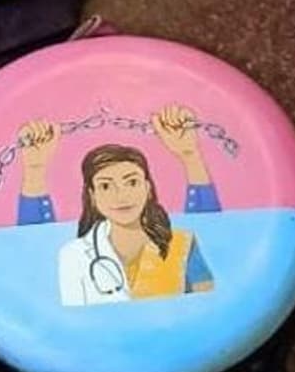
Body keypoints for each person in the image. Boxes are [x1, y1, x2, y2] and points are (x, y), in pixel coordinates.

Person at [16, 105, 220, 305]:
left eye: (132, 182)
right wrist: (35, 170)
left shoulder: (182, 245)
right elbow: (33, 247)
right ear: (92, 196)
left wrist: (190, 156)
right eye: (105, 186)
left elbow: (211, 302)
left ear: (148, 188)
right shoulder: (74, 254)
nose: (121, 196)